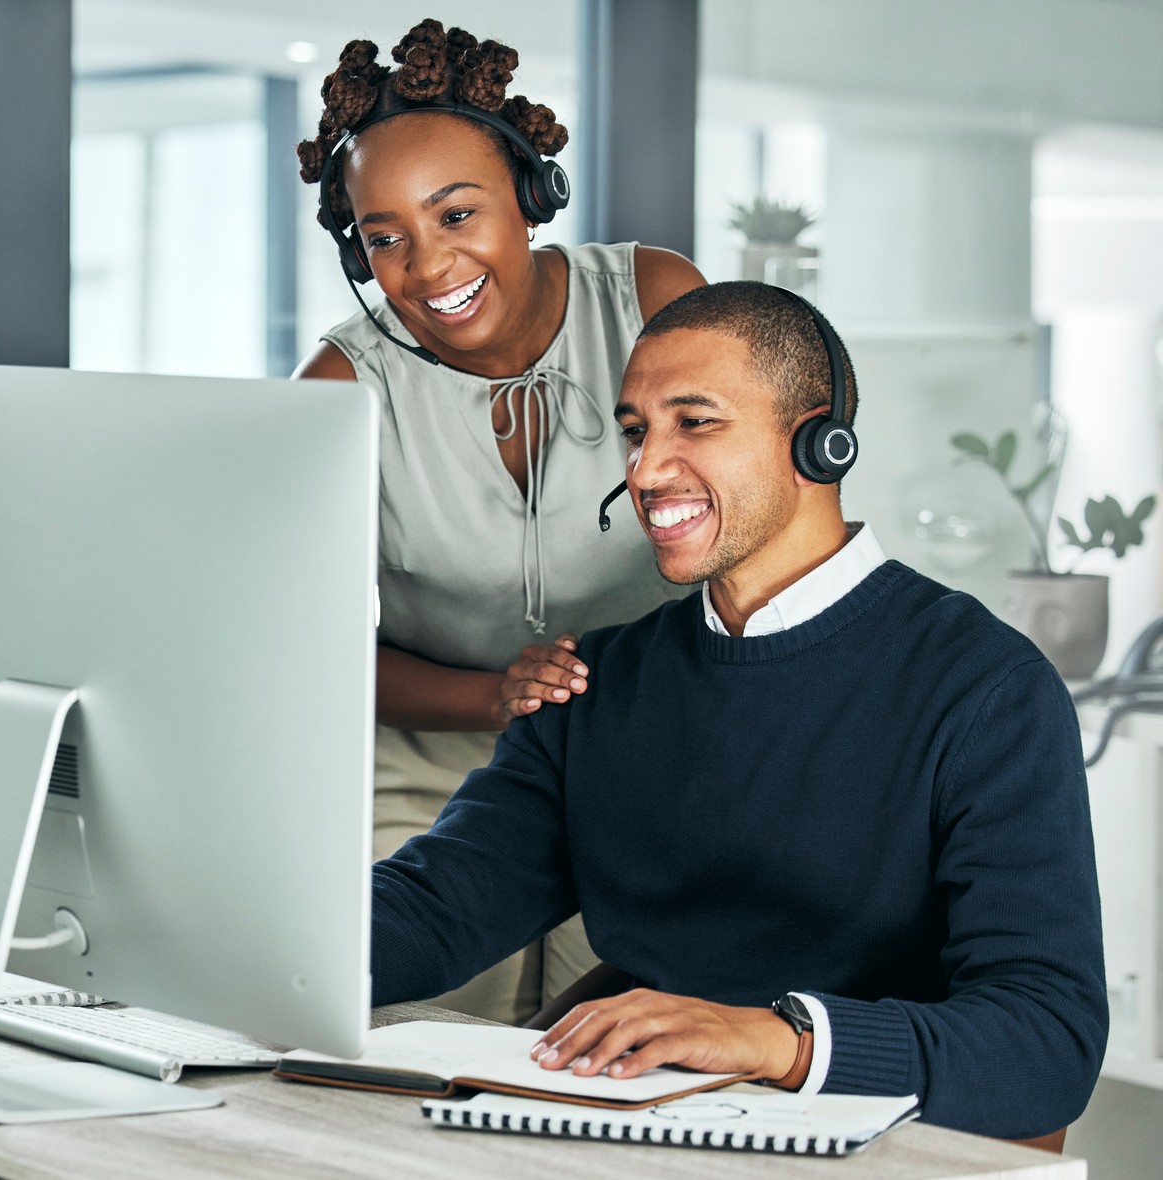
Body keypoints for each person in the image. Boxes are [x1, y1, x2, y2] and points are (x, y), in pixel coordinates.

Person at [370, 281, 1107, 1140]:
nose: (645, 470)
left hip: (875, 1145)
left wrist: (772, 1040)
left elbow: (1047, 1041)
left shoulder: (985, 689)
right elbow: (440, 907)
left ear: (819, 442)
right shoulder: (597, 680)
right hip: (637, 1132)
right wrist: (228, 937)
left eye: (696, 422)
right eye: (636, 432)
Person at [293, 19, 706, 1022]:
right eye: (384, 237)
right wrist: (492, 699)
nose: (429, 267)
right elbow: (308, 652)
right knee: (401, 1050)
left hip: (647, 761)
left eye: (456, 214)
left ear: (530, 197)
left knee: (602, 1065)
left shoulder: (659, 301)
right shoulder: (341, 387)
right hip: (424, 770)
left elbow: (757, 519)